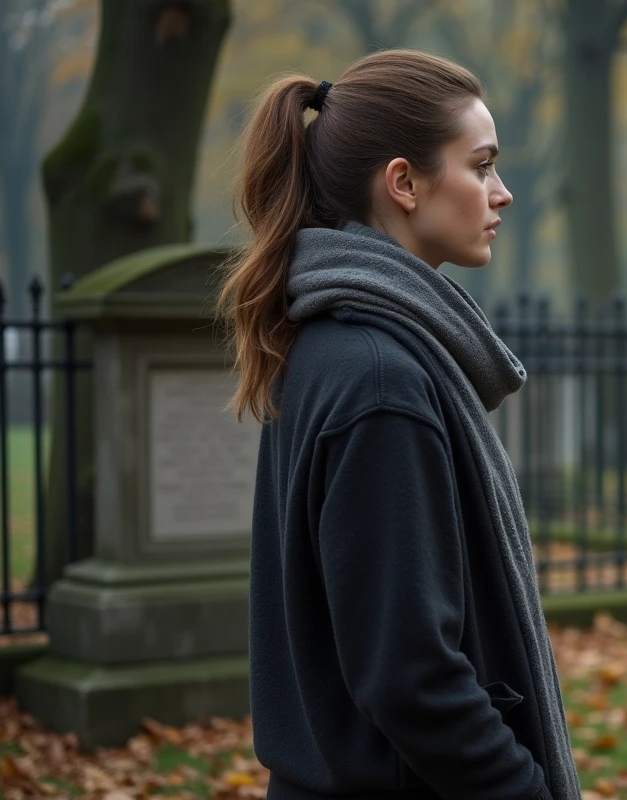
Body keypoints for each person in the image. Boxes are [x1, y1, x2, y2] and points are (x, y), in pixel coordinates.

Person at [217, 49, 580, 800]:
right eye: (481, 166)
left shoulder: (332, 343)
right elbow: (411, 678)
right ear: (405, 183)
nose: (502, 193)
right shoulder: (383, 380)